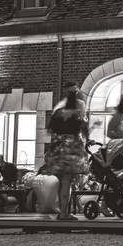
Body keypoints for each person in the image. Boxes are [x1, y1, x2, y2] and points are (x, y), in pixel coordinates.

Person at [46, 88, 88, 220]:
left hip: (57, 148)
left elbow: (49, 130)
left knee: (59, 181)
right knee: (66, 181)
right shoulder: (76, 114)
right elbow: (83, 131)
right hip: (71, 149)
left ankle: (60, 211)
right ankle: (64, 212)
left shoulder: (58, 113)